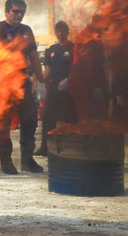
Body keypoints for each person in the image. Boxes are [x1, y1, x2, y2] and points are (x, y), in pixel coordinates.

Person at [0, 0, 46, 174]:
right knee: (3, 125)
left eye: (22, 11)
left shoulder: (26, 30)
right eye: (15, 11)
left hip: (22, 82)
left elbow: (34, 57)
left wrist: (41, 82)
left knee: (30, 121)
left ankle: (27, 160)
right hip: (2, 84)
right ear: (7, 11)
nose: (19, 15)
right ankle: (6, 162)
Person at [35, 21, 77, 156]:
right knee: (47, 117)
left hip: (68, 89)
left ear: (67, 32)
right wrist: (40, 84)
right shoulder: (52, 50)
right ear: (55, 32)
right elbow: (48, 69)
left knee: (70, 118)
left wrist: (68, 80)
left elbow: (77, 68)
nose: (60, 33)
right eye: (58, 31)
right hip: (53, 88)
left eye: (63, 30)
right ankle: (45, 147)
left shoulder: (74, 48)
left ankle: (71, 146)